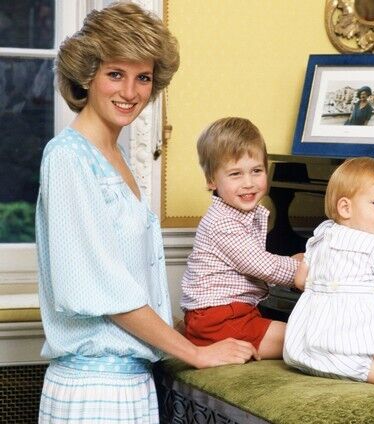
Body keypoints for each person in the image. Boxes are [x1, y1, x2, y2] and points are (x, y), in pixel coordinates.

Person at [36, 3, 259, 423]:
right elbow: (103, 291)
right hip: (94, 391)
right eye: (115, 74)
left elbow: (131, 276)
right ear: (88, 75)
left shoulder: (115, 156)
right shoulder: (67, 157)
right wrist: (195, 352)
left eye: (143, 78)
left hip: (133, 383)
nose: (131, 92)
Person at [283, 157, 374, 400]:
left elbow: (299, 280)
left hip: (307, 350)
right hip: (355, 354)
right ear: (345, 208)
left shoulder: (321, 237)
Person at [181, 117, 302, 360]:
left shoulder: (241, 214)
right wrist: (302, 269)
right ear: (211, 180)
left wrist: (293, 264)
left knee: (304, 335)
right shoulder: (223, 222)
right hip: (219, 319)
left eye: (257, 170)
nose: (249, 183)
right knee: (306, 339)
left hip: (233, 314)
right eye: (235, 174)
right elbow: (261, 265)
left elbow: (259, 263)